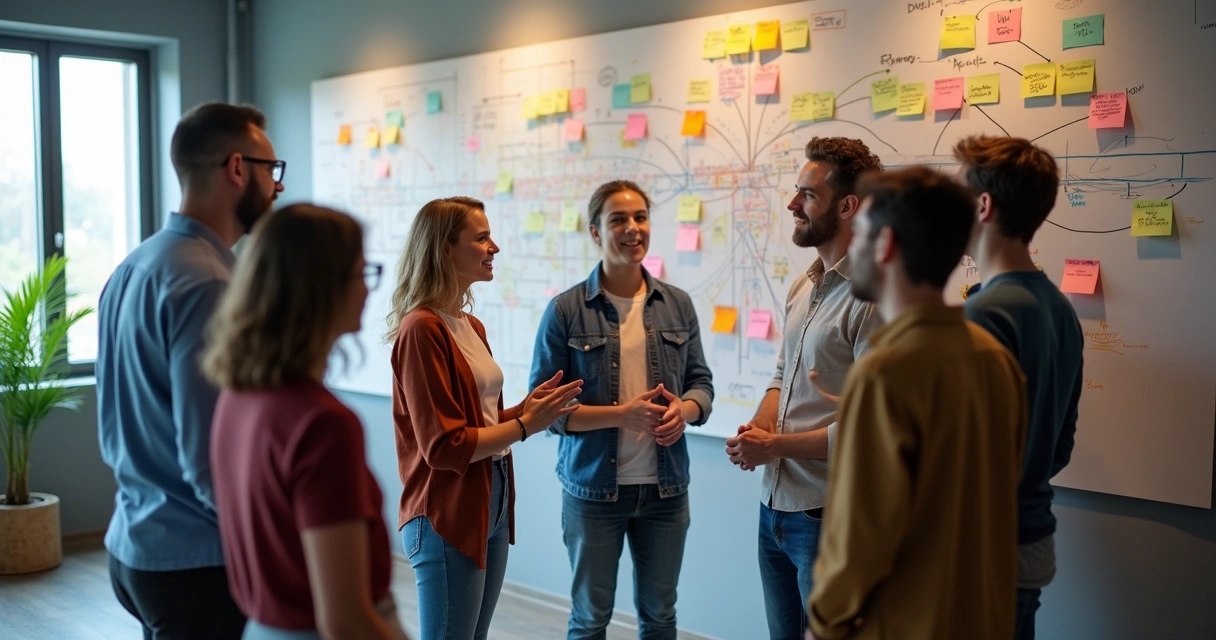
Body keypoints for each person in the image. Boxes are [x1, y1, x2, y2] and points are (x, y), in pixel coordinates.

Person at [807, 167, 1027, 639]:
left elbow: (859, 536)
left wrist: (824, 624)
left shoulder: (886, 372)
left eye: (860, 232)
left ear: (885, 244)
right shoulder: (996, 359)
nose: (851, 246)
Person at [96, 102, 283, 638]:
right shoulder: (210, 285)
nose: (277, 187)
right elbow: (211, 460)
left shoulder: (136, 264)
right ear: (237, 169)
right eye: (272, 170)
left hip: (134, 542)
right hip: (196, 562)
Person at [201, 204, 407, 640]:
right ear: (319, 288)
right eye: (360, 272)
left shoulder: (237, 397)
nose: (368, 290)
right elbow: (346, 620)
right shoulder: (323, 423)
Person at [388, 196, 584, 640]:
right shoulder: (421, 328)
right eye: (481, 238)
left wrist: (527, 411)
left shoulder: (469, 326)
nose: (493, 247)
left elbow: (479, 422)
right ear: (444, 250)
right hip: (444, 509)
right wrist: (523, 426)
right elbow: (442, 447)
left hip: (490, 497)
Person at [530, 180, 715, 640]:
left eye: (640, 217)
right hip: (593, 493)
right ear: (595, 232)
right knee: (590, 619)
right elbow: (545, 412)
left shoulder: (678, 304)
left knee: (660, 616)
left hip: (666, 492)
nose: (632, 228)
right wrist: (620, 414)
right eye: (618, 220)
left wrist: (686, 411)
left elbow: (701, 385)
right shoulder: (565, 311)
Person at [723, 137, 883, 639]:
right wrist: (760, 429)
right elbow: (781, 374)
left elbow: (870, 429)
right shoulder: (803, 285)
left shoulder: (873, 298)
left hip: (828, 516)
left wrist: (774, 446)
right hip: (775, 507)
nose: (792, 204)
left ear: (847, 206)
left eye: (807, 195)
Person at [954, 136, 1085, 640]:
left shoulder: (984, 313)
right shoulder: (1060, 308)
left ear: (983, 206)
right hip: (1029, 540)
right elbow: (1060, 446)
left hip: (980, 550)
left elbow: (963, 457)